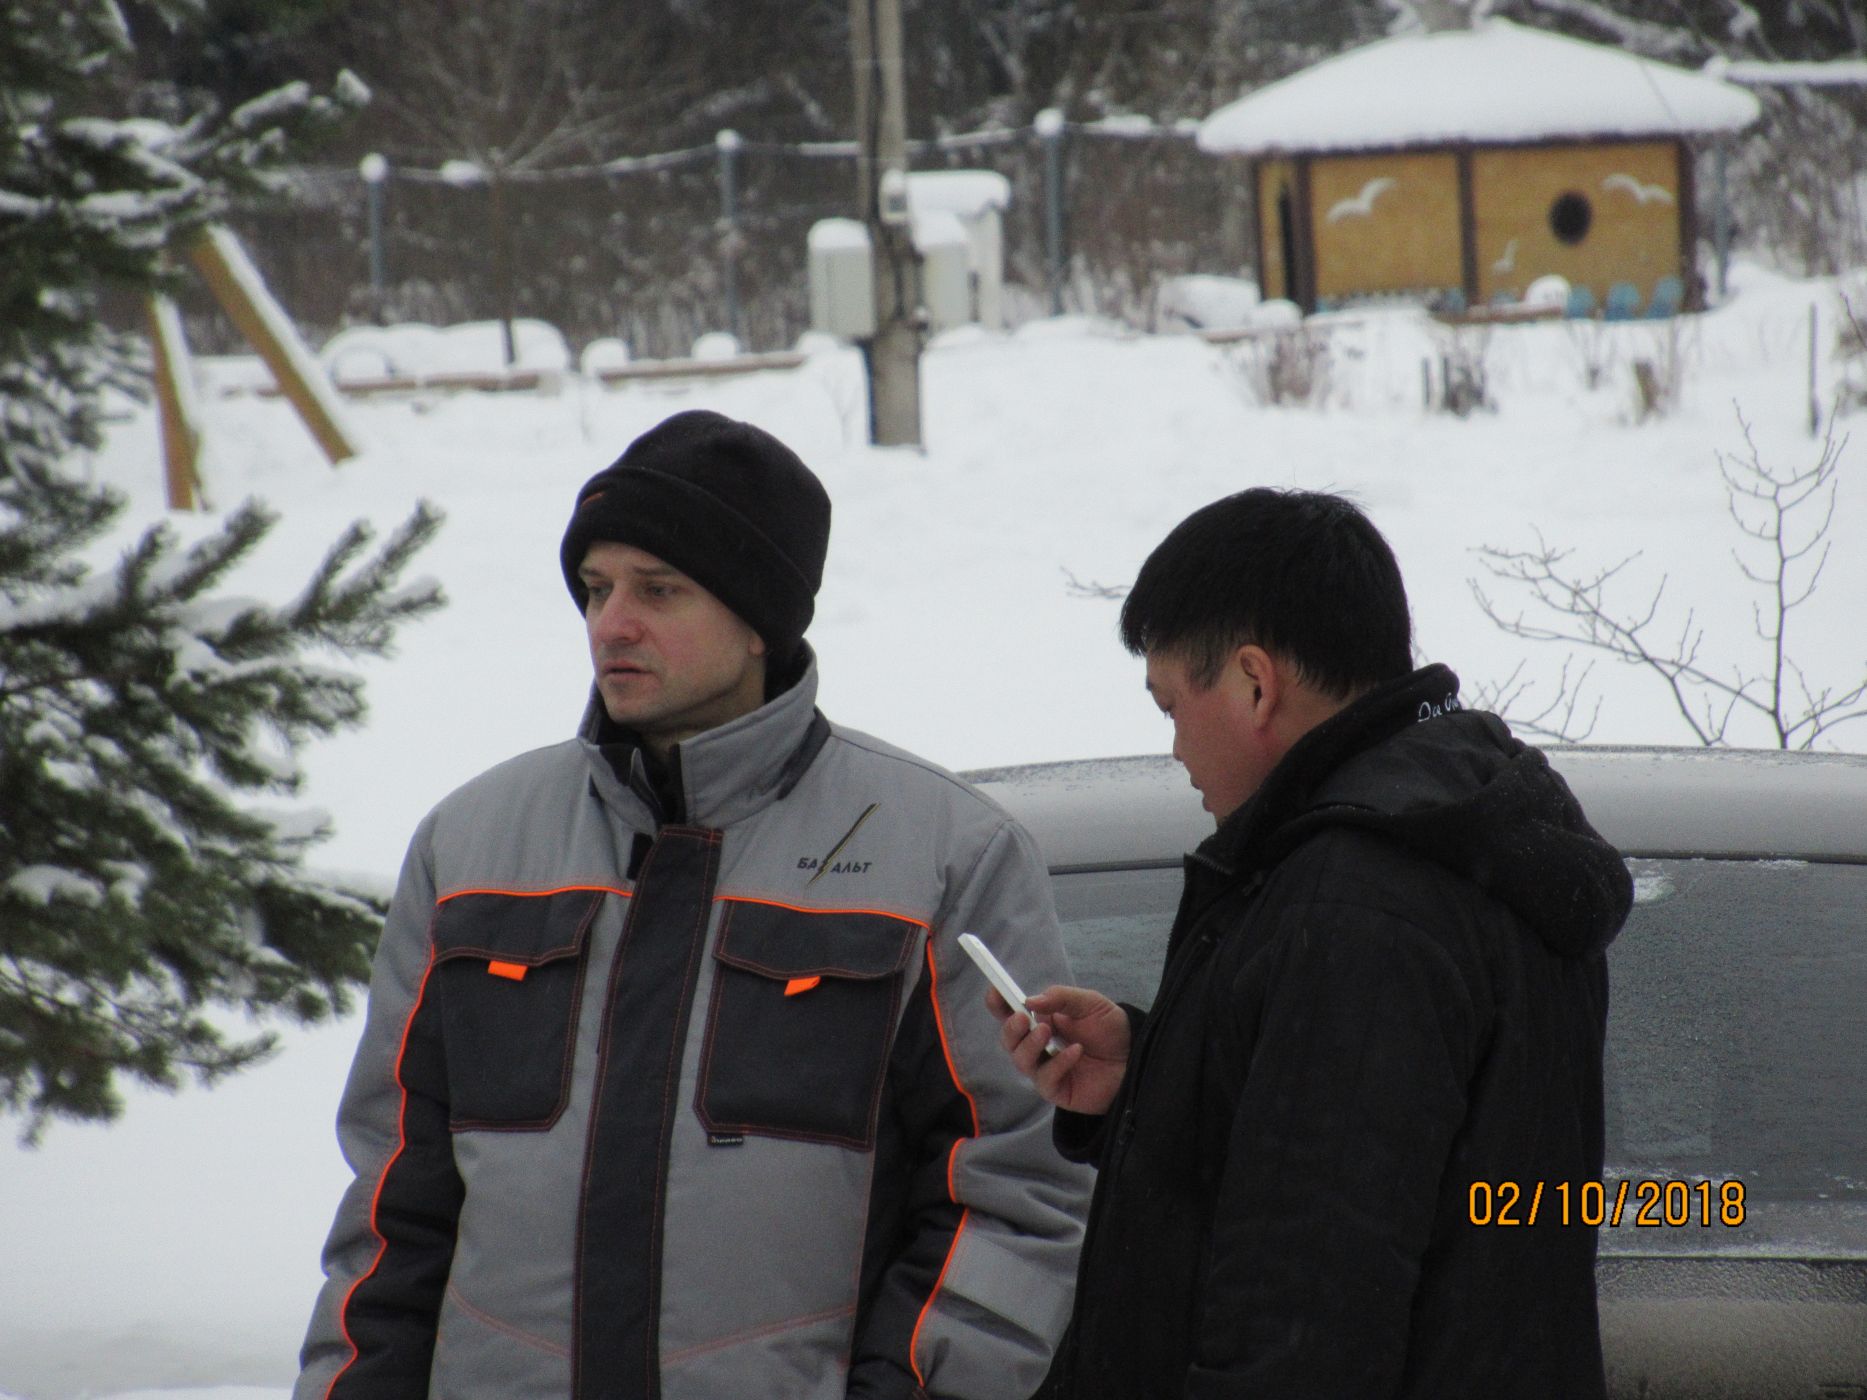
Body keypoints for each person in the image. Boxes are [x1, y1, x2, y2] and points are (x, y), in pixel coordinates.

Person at [296, 410, 1091, 1400]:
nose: (610, 623)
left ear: (759, 620)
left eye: (657, 589)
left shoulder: (942, 854)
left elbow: (1012, 1193)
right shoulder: (471, 848)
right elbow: (390, 1208)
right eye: (596, 588)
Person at [995, 488, 1632, 1399]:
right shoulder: (1456, 848)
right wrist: (1151, 1080)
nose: (1174, 748)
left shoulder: (1360, 904)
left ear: (1255, 683)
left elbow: (1304, 1306)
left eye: (1171, 705)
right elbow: (1410, 1177)